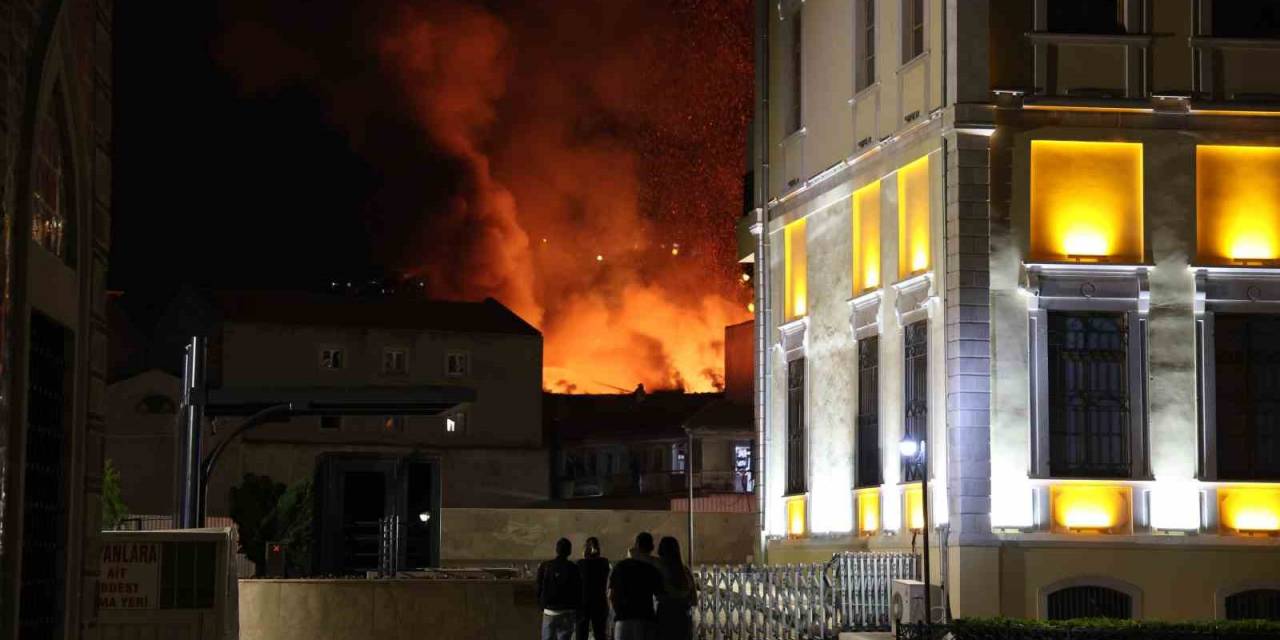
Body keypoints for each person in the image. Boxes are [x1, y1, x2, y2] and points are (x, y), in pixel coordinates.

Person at [608, 534, 664, 640]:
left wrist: (619, 612)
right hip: (645, 618)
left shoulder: (620, 566)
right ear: (651, 547)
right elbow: (660, 595)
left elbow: (612, 595)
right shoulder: (652, 569)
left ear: (636, 545)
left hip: (623, 619)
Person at [537, 538, 583, 640]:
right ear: (569, 551)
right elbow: (578, 591)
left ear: (556, 550)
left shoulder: (545, 566)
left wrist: (541, 605)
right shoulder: (573, 568)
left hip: (549, 611)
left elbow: (539, 587)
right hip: (567, 611)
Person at [655, 537, 697, 640]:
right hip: (683, 618)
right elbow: (694, 600)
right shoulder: (685, 571)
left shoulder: (660, 570)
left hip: (665, 617)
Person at [576, 537, 610, 640]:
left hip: (583, 603)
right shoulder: (604, 563)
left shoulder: (580, 564)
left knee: (581, 634)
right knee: (600, 634)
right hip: (599, 602)